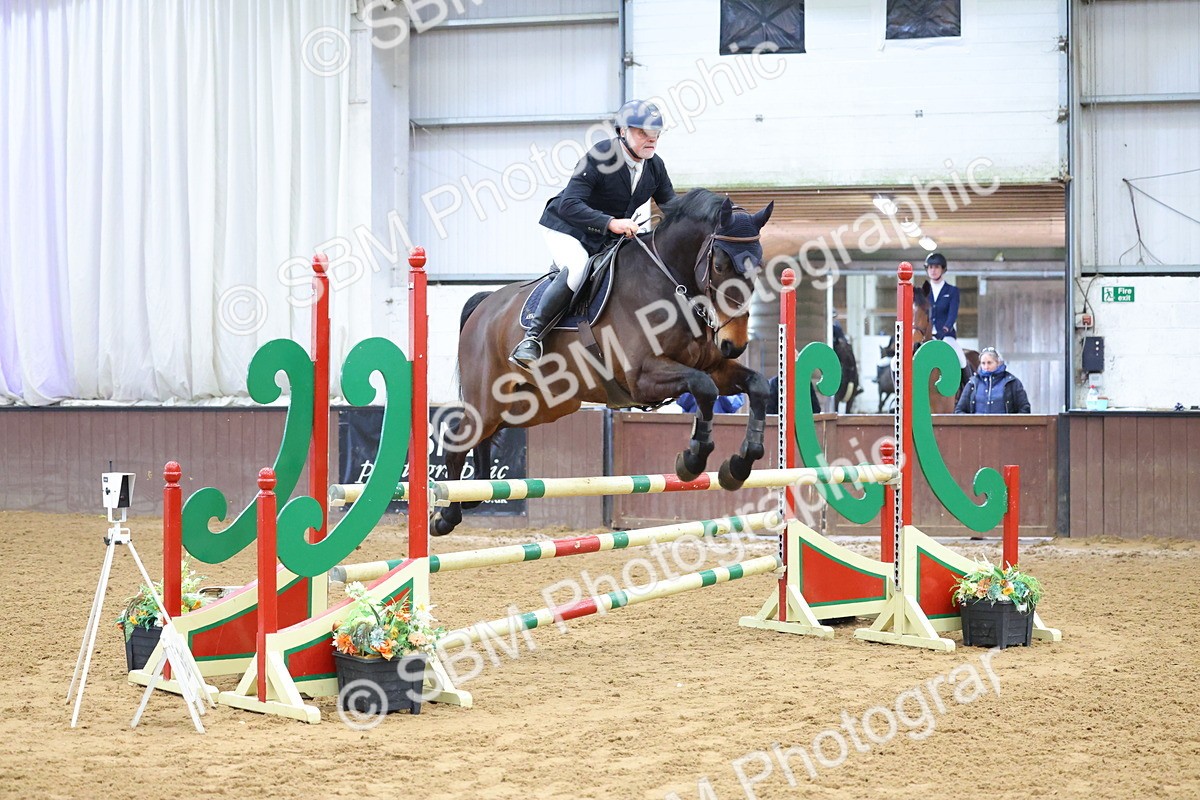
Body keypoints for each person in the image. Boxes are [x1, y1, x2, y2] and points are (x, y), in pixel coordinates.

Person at [509, 99, 678, 371]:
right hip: (567, 227)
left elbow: (672, 207)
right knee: (577, 269)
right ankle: (532, 339)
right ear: (622, 132)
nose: (651, 140)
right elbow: (570, 204)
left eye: (655, 134)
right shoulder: (601, 156)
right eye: (642, 133)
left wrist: (704, 217)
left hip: (606, 234)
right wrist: (611, 223)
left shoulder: (654, 166)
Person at [920, 252, 970, 389]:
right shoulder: (922, 292)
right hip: (925, 337)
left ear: (942, 269)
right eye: (930, 267)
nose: (933, 270)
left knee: (961, 359)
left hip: (945, 335)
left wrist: (945, 329)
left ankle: (969, 390)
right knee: (900, 361)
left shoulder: (952, 291)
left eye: (936, 267)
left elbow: (952, 314)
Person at [954, 347, 1031, 414]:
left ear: (998, 363)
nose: (986, 367)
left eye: (989, 363)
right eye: (983, 363)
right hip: (978, 429)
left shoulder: (1012, 382)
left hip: (1005, 429)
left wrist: (1012, 426)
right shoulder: (973, 383)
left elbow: (1024, 408)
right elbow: (959, 410)